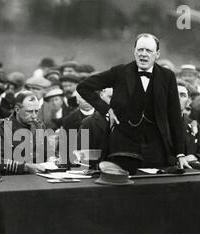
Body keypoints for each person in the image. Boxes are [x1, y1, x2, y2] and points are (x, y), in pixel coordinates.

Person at [77, 33, 188, 174]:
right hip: (123, 147)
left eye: (148, 51)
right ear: (134, 51)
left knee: (155, 188)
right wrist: (106, 110)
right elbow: (83, 87)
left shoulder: (167, 76)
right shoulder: (120, 72)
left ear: (157, 54)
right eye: (140, 50)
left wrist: (180, 153)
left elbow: (174, 116)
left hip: (156, 147)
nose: (143, 54)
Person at [0, 91, 49, 175]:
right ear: (17, 109)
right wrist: (24, 167)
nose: (34, 116)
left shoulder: (39, 126)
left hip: (38, 178)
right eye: (29, 112)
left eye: (36, 111)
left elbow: (48, 152)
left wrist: (53, 159)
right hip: (11, 180)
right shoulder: (1, 128)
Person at [177, 80, 200, 169]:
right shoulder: (158, 124)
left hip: (191, 172)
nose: (178, 98)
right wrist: (180, 159)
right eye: (174, 94)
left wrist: (195, 157)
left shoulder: (192, 124)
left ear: (189, 101)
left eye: (183, 95)